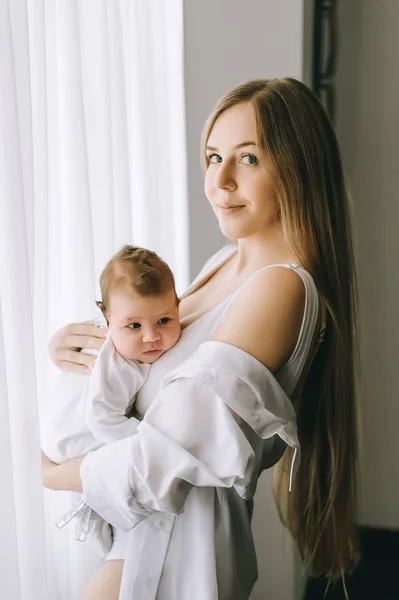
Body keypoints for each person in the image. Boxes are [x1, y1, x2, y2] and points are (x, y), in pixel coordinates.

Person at [42, 78, 359, 600]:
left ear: (297, 167)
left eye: (249, 159)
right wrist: (83, 351)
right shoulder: (222, 266)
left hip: (172, 564)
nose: (221, 181)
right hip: (140, 549)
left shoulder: (279, 287)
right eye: (213, 157)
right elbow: (149, 375)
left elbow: (162, 461)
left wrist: (47, 474)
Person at [41, 244, 181, 555]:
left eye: (164, 321)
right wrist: (144, 437)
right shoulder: (121, 363)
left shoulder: (122, 338)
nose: (151, 337)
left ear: (178, 307)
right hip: (70, 440)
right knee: (111, 495)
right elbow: (102, 418)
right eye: (134, 325)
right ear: (106, 316)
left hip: (58, 430)